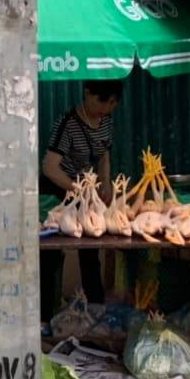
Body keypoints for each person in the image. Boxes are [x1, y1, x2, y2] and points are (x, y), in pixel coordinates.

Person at [40, 80, 124, 319]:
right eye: (101, 102)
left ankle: (96, 311)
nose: (105, 110)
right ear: (88, 93)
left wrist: (104, 184)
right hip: (58, 190)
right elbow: (50, 168)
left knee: (91, 250)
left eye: (111, 105)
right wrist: (79, 190)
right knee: (51, 254)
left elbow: (104, 155)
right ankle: (46, 316)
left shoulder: (105, 121)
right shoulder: (67, 125)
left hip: (86, 191)